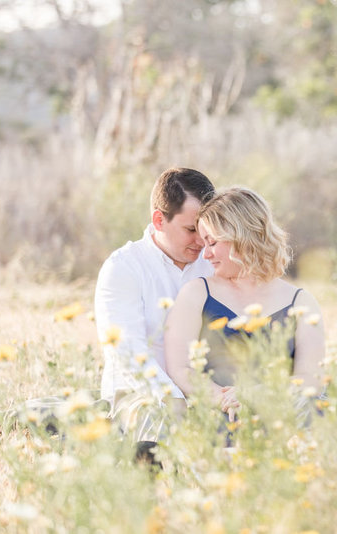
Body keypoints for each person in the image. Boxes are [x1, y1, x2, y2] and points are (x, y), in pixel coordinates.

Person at [164, 186, 325, 425]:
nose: (205, 255)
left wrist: (257, 394)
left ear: (241, 237)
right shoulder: (197, 293)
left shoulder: (301, 302)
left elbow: (310, 377)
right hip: (218, 415)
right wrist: (222, 398)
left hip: (285, 414)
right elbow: (180, 368)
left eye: (212, 243)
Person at [93, 167, 215, 443]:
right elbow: (128, 352)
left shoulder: (215, 261)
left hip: (208, 391)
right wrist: (173, 400)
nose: (202, 241)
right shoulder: (124, 267)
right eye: (191, 229)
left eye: (208, 230)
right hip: (142, 396)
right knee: (161, 429)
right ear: (159, 220)